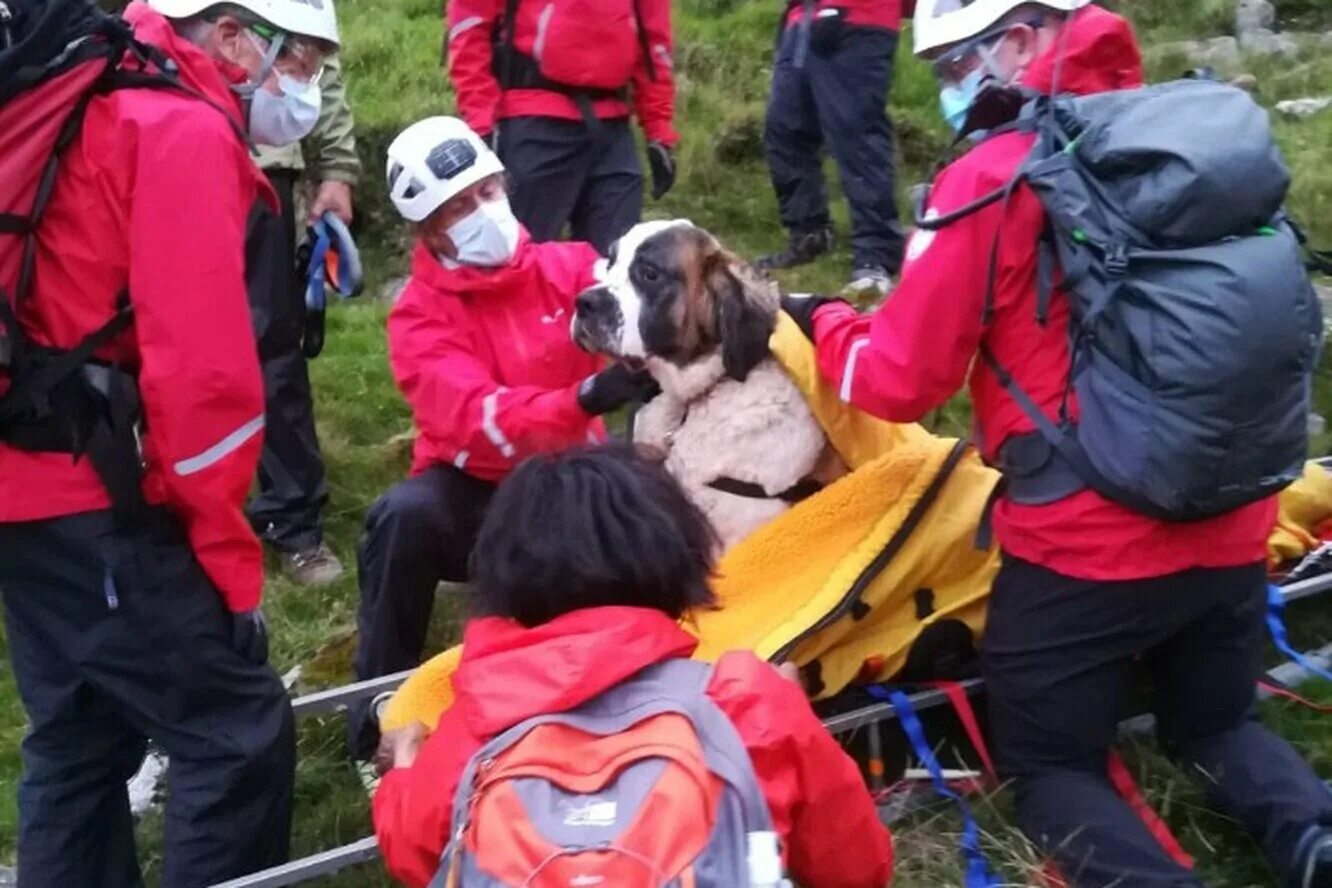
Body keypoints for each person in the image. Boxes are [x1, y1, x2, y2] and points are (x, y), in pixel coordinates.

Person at [784, 2, 1332, 886]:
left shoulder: (990, 177)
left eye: (957, 62)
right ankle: (1312, 836)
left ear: (1020, 41)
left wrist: (830, 321)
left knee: (1049, 766)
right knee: (1222, 725)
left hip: (1084, 552)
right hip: (1236, 512)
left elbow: (896, 382)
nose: (948, 88)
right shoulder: (1185, 144)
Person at [0, 0, 339, 883]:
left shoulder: (85, 88)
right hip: (90, 494)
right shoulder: (177, 129)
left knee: (78, 735)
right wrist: (231, 573)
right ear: (231, 37)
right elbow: (206, 387)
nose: (306, 86)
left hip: (18, 479)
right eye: (300, 60)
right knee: (238, 734)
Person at [372, 444, 894, 888]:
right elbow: (860, 867)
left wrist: (406, 767)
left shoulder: (473, 727)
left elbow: (414, 853)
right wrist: (795, 718)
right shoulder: (744, 700)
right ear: (674, 557)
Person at [347, 116, 658, 775]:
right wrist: (581, 401)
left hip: (572, 478)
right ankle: (378, 713)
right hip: (478, 495)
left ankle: (651, 685)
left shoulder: (571, 267)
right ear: (426, 229)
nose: (483, 211)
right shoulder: (418, 317)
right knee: (402, 520)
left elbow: (641, 320)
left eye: (489, 191)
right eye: (460, 206)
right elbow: (476, 417)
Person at [248, 56, 361, 586]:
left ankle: (293, 524)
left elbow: (317, 62)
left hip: (264, 166)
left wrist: (336, 169)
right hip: (160, 151)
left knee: (273, 346)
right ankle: (168, 524)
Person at [445, 0, 678, 253]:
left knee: (614, 265)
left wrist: (659, 130)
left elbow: (654, 42)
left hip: (612, 128)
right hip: (533, 119)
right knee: (518, 260)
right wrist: (481, 124)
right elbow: (470, 28)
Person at [756, 0, 911, 296]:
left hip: (861, 20)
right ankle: (808, 234)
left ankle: (875, 257)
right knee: (785, 130)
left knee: (858, 138)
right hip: (802, 19)